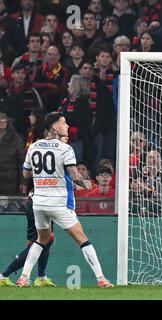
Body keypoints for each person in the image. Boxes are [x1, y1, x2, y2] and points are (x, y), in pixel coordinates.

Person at [17, 112, 114, 288]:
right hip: (58, 203)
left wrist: (43, 174)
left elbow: (25, 173)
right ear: (55, 127)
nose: (67, 126)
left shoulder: (34, 147)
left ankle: (24, 277)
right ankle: (101, 279)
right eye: (63, 123)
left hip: (39, 202)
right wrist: (87, 184)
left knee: (41, 239)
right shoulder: (65, 149)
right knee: (83, 239)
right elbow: (75, 175)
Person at [0, 135, 70, 287]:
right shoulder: (50, 157)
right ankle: (4, 275)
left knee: (48, 239)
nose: (65, 140)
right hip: (37, 203)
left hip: (46, 203)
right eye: (63, 137)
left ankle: (41, 276)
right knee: (37, 243)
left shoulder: (58, 156)